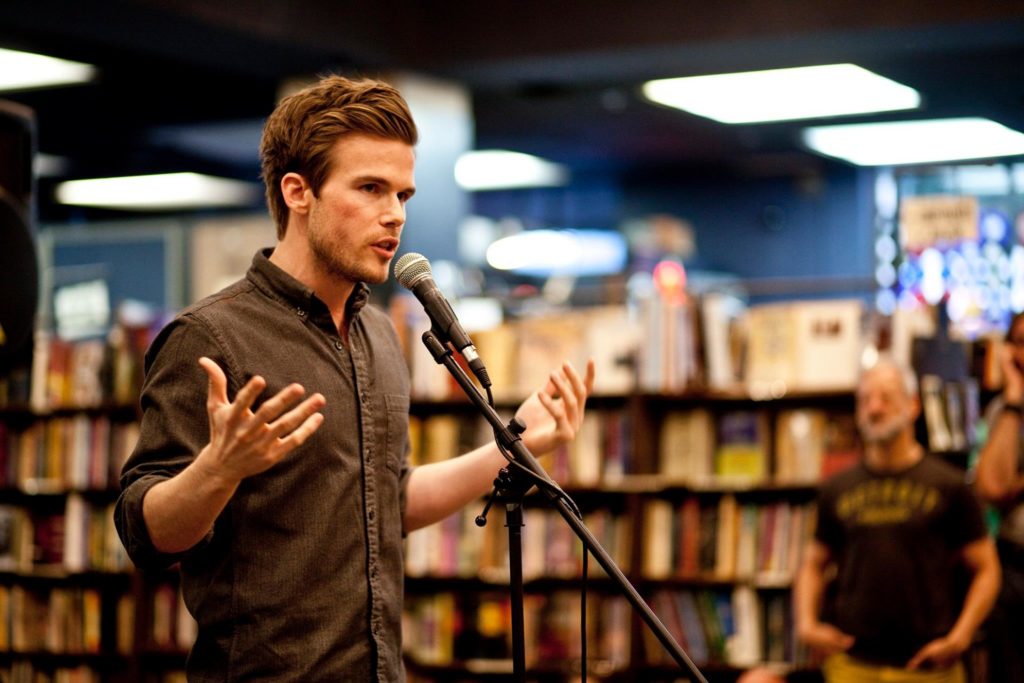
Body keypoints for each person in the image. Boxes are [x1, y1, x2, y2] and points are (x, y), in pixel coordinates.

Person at [114, 75, 595, 682]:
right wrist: (219, 470)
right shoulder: (210, 338)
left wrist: (518, 444)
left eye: (403, 195)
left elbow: (389, 501)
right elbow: (145, 535)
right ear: (297, 192)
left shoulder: (379, 336)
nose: (394, 215)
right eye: (370, 188)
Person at [794, 356, 1000, 683]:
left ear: (913, 405)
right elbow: (813, 563)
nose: (874, 408)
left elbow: (987, 569)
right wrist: (806, 624)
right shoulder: (836, 487)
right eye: (865, 400)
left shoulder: (949, 485)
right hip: (852, 664)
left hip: (929, 666)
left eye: (886, 397)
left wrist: (961, 636)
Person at [974, 310, 1024, 682]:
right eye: (1020, 342)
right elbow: (991, 487)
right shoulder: (1002, 413)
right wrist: (1014, 399)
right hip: (1015, 570)